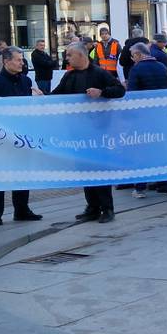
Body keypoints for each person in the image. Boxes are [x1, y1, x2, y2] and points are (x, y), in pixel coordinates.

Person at [53, 42, 126, 223]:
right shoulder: (69, 76)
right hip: (77, 131)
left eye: (69, 55)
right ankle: (92, 207)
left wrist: (102, 92)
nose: (67, 58)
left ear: (81, 55)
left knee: (99, 168)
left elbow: (120, 90)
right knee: (85, 170)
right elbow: (56, 95)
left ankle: (107, 209)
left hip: (98, 130)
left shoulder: (100, 73)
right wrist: (41, 98)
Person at [0, 47, 43, 225]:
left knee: (22, 172)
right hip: (1, 137)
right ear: (7, 62)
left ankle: (22, 210)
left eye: (22, 60)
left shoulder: (26, 80)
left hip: (22, 135)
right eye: (18, 60)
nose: (22, 63)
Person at [125, 43, 167, 199]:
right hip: (162, 115)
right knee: (164, 151)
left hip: (144, 118)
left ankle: (140, 188)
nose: (132, 59)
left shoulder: (136, 69)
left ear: (139, 55)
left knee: (142, 152)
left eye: (133, 56)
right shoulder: (162, 66)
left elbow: (133, 95)